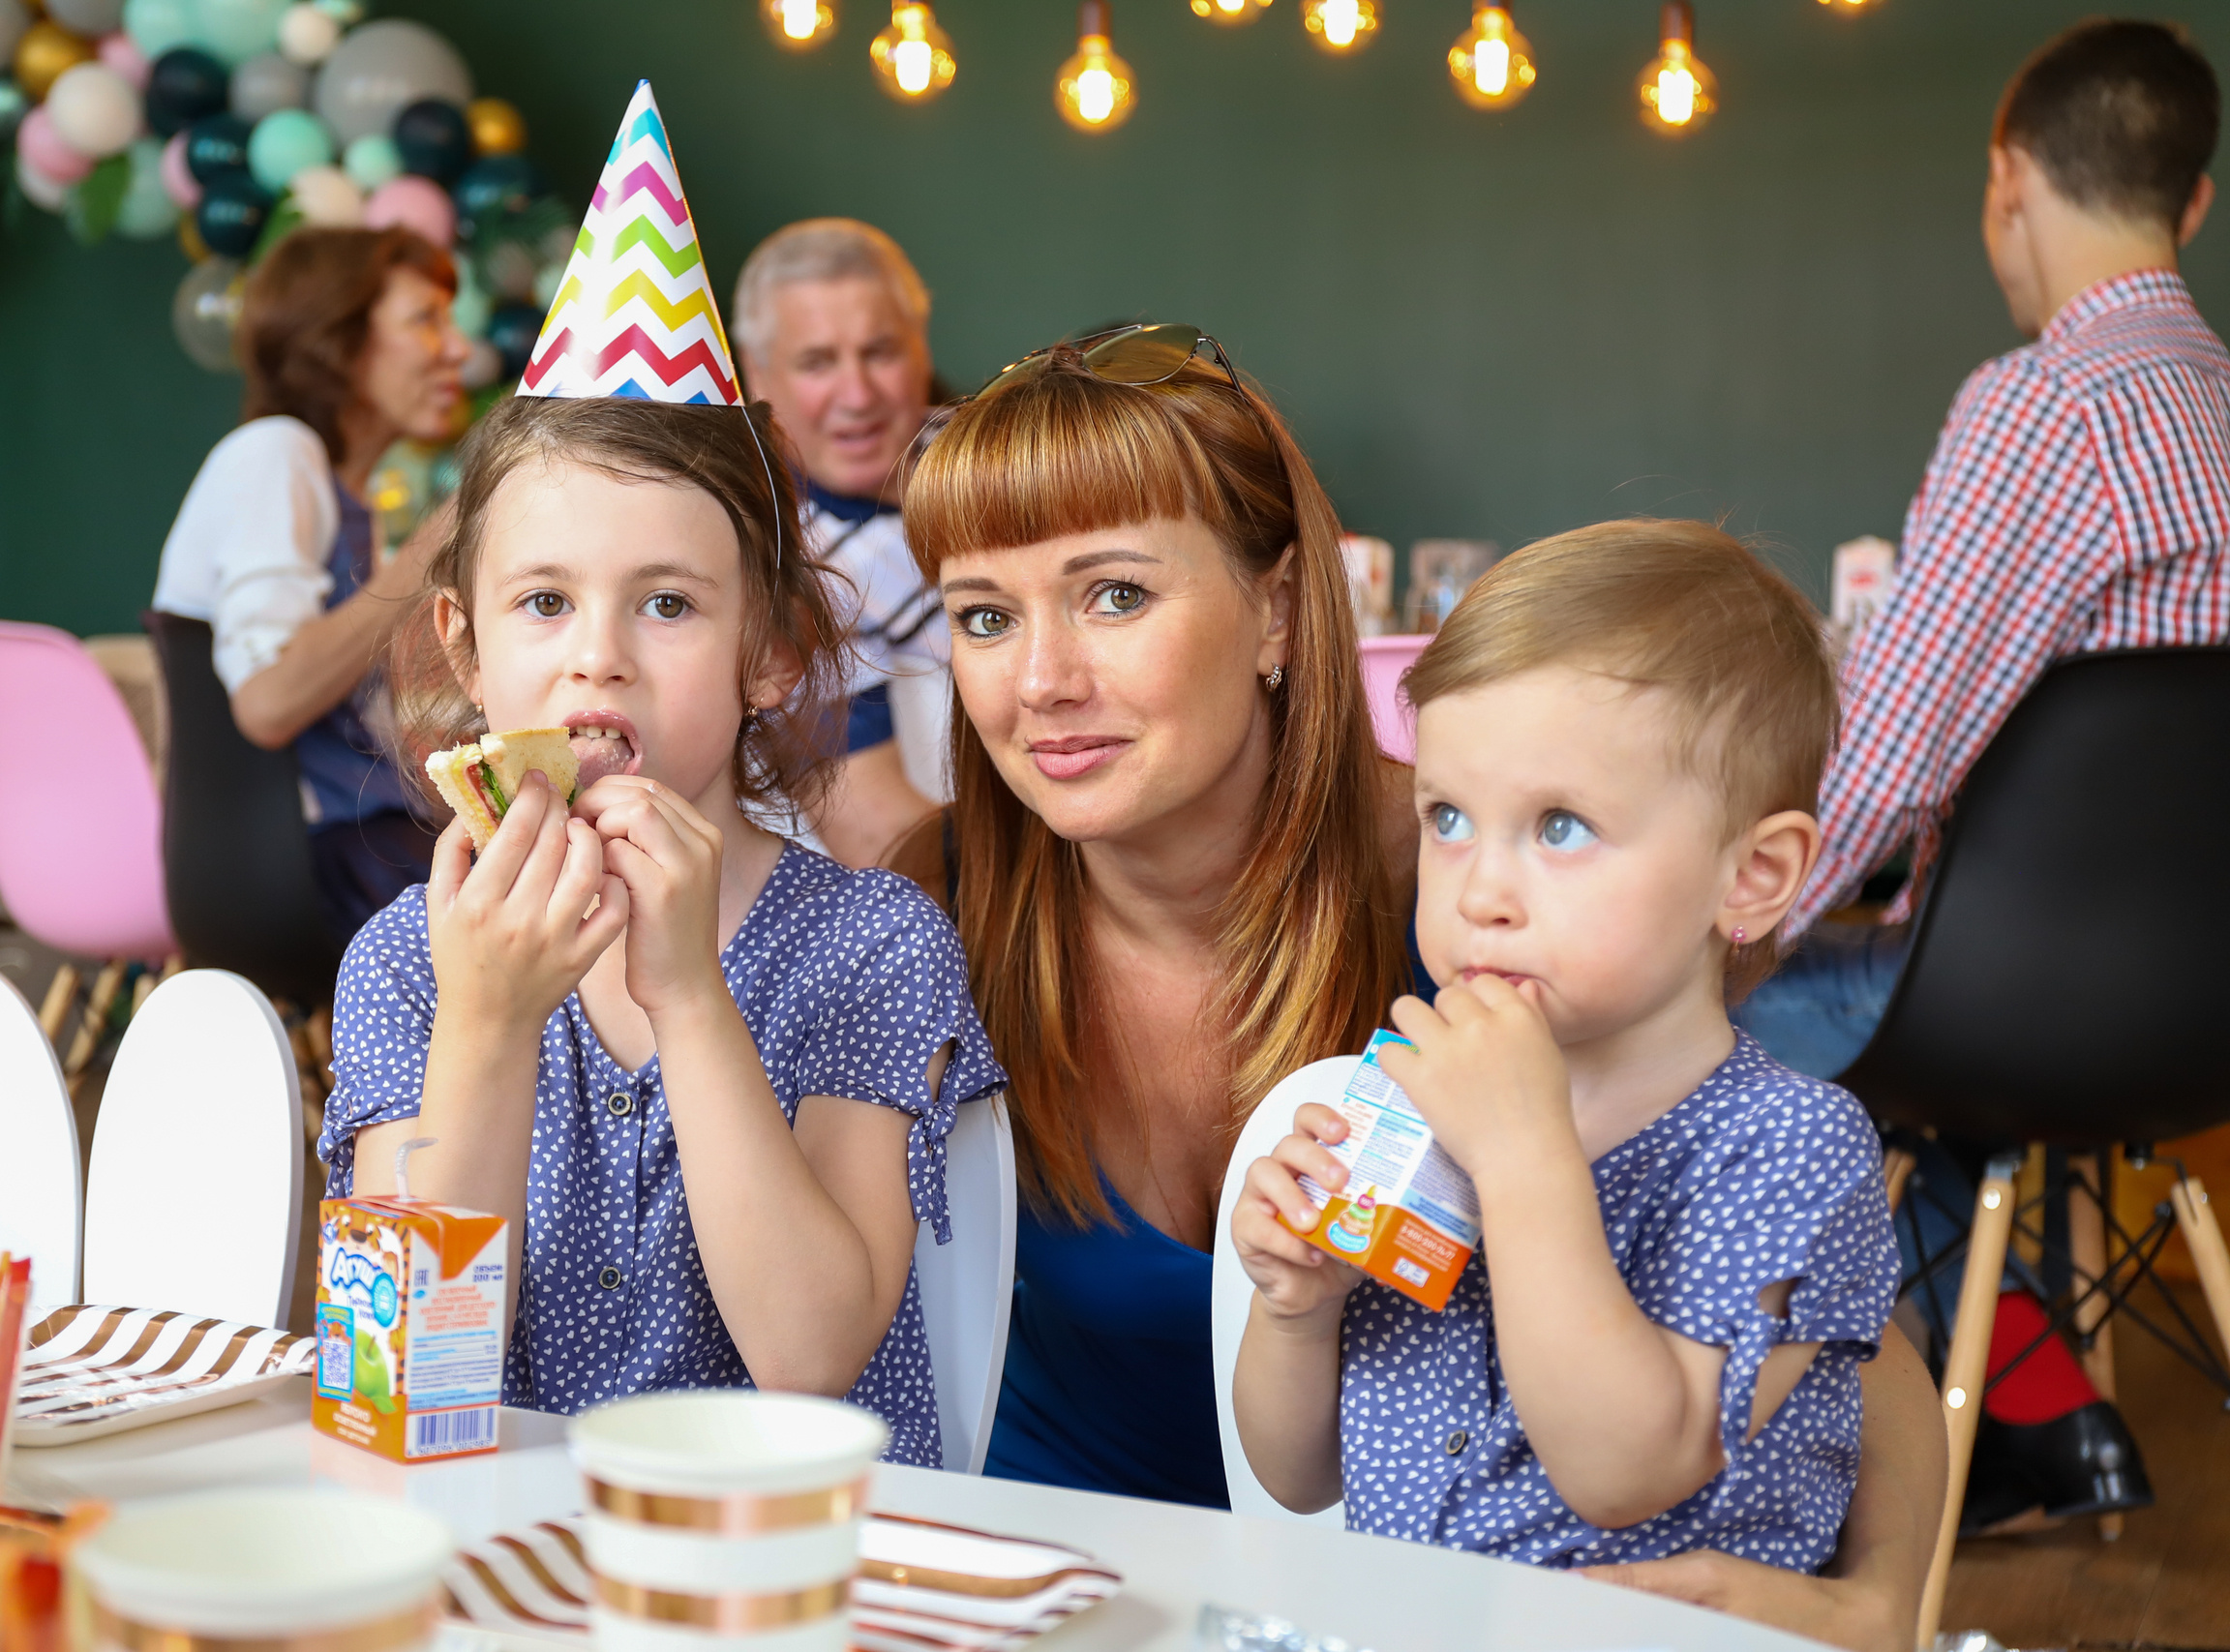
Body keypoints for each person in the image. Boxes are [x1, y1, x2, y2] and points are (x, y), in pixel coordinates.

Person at [892, 325, 1945, 1649]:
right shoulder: (924, 911)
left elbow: (1833, 1332)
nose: (1039, 679)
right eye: (984, 614)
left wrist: (1876, 1601)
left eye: (1113, 594)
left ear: (1277, 608)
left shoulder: (1486, 905)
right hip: (1041, 1589)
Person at [318, 85, 1003, 1465]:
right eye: (544, 603)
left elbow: (811, 1356)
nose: (600, 661)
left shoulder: (871, 945)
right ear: (466, 639)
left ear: (770, 647)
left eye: (670, 605)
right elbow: (394, 1388)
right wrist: (492, 1024)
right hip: (505, 1562)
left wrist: (689, 991)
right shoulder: (409, 962)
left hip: (802, 1572)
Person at [1734, 17, 2224, 1532]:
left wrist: (1718, 923)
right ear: (2191, 203)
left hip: (2002, 1004)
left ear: (2008, 179)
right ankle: (2047, 1410)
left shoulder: (2041, 408)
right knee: (1919, 1046)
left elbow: (1883, 756)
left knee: (1686, 997)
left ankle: (1708, 1472)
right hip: (2203, 1013)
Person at [1231, 523, 1895, 1571]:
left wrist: (1522, 1160)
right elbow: (1296, 1477)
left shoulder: (1788, 1149)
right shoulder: (1412, 1107)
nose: (1481, 893)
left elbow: (1628, 1471)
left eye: (1560, 828)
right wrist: (1297, 1315)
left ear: (1752, 878)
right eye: (1447, 818)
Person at [151, 225, 469, 938]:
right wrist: (438, 538)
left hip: (324, 853)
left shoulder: (335, 489)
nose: (459, 349)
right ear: (337, 339)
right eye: (426, 319)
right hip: (297, 868)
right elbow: (268, 701)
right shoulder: (277, 454)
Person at [734, 219, 949, 866]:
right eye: (818, 362)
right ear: (758, 377)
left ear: (922, 351)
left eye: (880, 351)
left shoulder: (992, 469)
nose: (857, 396)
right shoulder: (774, 561)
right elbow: (890, 846)